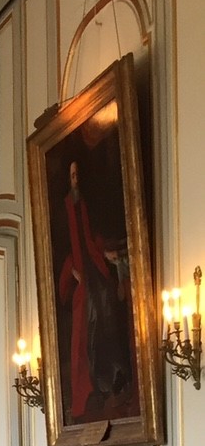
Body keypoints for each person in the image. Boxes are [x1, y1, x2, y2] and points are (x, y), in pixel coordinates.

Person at [56, 158, 133, 420]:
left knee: (108, 331)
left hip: (98, 287)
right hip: (89, 293)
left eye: (78, 174)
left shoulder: (93, 219)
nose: (75, 179)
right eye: (72, 175)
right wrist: (74, 273)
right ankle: (99, 387)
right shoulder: (72, 216)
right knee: (90, 344)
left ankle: (115, 381)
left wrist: (108, 256)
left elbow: (95, 242)